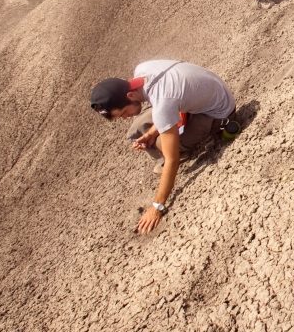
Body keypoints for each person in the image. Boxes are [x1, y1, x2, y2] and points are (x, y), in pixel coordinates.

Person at [89, 60, 239, 234]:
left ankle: (188, 148)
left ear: (130, 96)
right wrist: (152, 133)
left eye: (123, 113)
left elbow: (172, 159)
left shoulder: (162, 102)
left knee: (162, 145)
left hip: (218, 112)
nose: (124, 118)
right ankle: (164, 133)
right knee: (139, 128)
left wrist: (157, 206)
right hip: (203, 96)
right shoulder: (142, 70)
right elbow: (169, 101)